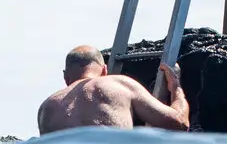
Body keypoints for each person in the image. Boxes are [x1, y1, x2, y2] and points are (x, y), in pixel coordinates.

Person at [37, 45, 191, 135]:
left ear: (65, 76)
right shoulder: (119, 84)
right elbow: (180, 123)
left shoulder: (47, 108)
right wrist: (176, 87)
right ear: (104, 70)